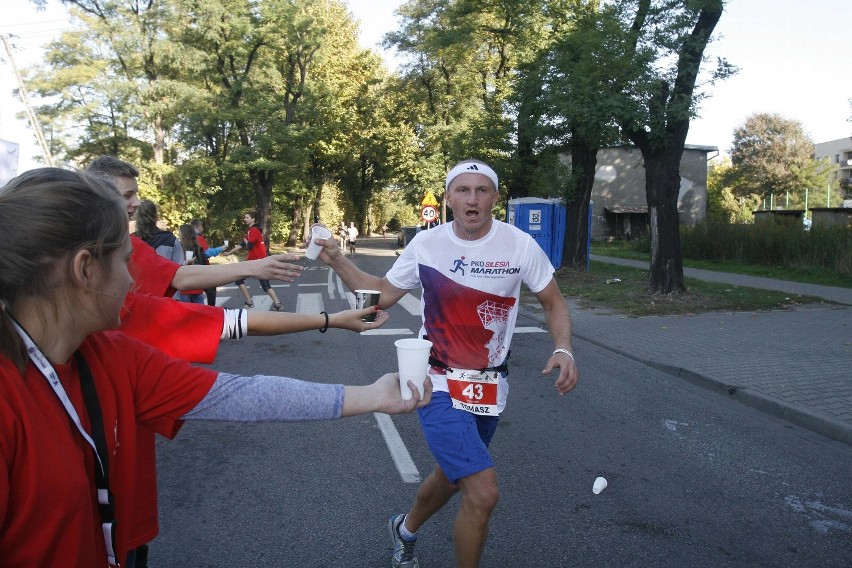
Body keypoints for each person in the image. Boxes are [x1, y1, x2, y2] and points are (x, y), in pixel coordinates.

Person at [0, 167, 432, 567]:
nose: (134, 279)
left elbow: (242, 396)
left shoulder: (111, 355)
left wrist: (375, 395)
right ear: (85, 270)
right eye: (124, 261)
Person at [313, 159, 579, 568]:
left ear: (494, 198)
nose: (472, 200)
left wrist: (564, 348)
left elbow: (554, 301)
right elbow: (381, 295)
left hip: (489, 384)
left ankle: (404, 528)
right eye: (462, 191)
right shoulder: (426, 245)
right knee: (484, 490)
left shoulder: (520, 244)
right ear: (448, 199)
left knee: (455, 477)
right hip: (434, 380)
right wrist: (336, 260)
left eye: (481, 190)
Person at [223, 210, 285, 310]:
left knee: (240, 280)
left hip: (257, 262)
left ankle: (250, 302)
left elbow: (249, 246)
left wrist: (246, 241)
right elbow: (242, 244)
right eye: (245, 217)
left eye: (247, 217)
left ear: (253, 219)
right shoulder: (251, 230)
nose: (245, 219)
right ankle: (277, 303)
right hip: (256, 261)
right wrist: (229, 252)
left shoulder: (254, 231)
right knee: (263, 284)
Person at [134, 199, 185, 264]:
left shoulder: (130, 241)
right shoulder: (171, 240)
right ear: (156, 216)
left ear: (136, 217)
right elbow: (179, 267)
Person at [190, 218, 223, 305]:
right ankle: (211, 310)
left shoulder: (188, 238)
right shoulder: (199, 238)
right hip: (203, 267)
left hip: (193, 268)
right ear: (199, 227)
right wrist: (221, 249)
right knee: (211, 289)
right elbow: (207, 253)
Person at [176, 224, 206, 303]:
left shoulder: (179, 246)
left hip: (184, 283)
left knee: (184, 311)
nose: (178, 233)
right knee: (200, 310)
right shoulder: (198, 246)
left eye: (179, 231)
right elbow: (202, 263)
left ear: (183, 233)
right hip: (197, 282)